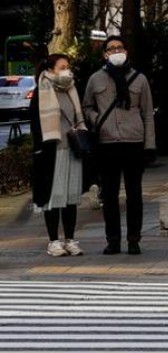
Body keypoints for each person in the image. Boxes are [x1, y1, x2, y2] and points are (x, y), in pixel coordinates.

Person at [82, 35, 156, 255]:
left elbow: (148, 114)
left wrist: (149, 145)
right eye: (111, 48)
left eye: (120, 47)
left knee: (134, 194)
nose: (116, 51)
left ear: (126, 51)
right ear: (105, 54)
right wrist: (97, 121)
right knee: (110, 195)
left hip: (133, 142)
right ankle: (112, 240)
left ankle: (134, 238)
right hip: (107, 143)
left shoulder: (139, 79)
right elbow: (87, 106)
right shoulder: (95, 79)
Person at [29, 53, 87, 257]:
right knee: (53, 197)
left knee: (71, 197)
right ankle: (53, 241)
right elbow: (36, 123)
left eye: (68, 66)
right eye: (63, 66)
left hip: (72, 150)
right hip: (52, 151)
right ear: (51, 68)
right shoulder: (42, 90)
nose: (67, 69)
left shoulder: (70, 88)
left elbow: (78, 116)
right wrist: (39, 149)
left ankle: (70, 240)